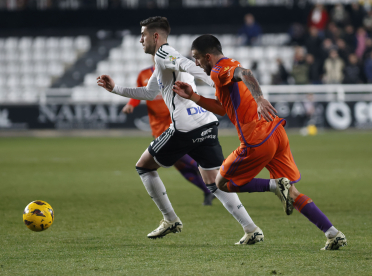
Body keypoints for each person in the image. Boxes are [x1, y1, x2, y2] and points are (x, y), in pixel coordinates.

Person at [97, 17, 263, 244]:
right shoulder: (161, 60)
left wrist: (215, 81)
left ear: (156, 36)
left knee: (144, 166)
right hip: (206, 122)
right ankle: (251, 228)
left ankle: (170, 219)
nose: (140, 40)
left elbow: (187, 64)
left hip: (185, 127)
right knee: (213, 181)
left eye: (143, 35)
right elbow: (148, 93)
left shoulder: (165, 53)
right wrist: (114, 88)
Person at [172, 34, 347, 250]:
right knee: (291, 191)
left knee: (221, 183)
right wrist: (194, 97)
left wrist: (259, 98)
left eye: (197, 58)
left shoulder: (219, 70)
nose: (196, 63)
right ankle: (333, 234)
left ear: (208, 56)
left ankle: (274, 186)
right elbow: (222, 108)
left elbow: (246, 74)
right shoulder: (227, 68)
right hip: (275, 131)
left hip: (257, 139)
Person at [122, 58, 215, 205]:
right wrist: (130, 104)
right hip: (157, 127)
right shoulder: (144, 74)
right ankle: (208, 189)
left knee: (186, 159)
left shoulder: (173, 73)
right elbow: (140, 93)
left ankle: (215, 176)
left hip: (176, 124)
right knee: (180, 164)